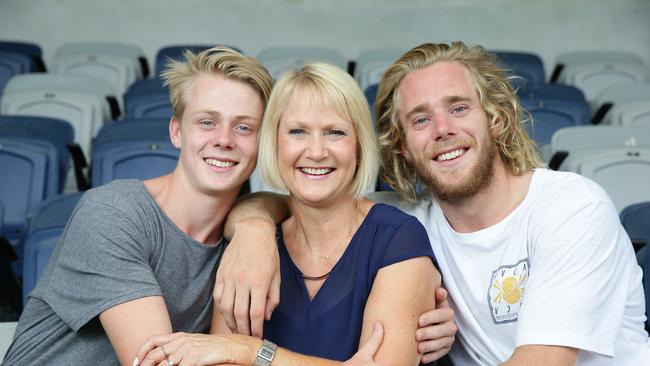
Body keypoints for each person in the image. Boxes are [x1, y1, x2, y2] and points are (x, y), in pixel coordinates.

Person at [212, 42, 650, 365]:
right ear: (401, 145)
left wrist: (251, 352)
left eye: (458, 108)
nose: (442, 129)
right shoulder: (409, 221)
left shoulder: (570, 207)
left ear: (495, 118)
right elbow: (305, 204)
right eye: (421, 119)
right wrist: (251, 229)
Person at [134, 62, 440, 365]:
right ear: (274, 143)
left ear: (359, 145)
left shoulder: (398, 239)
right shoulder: (249, 247)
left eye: (335, 132)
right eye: (297, 131)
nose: (317, 151)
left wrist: (249, 352)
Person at [2, 46, 273, 366]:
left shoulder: (241, 244)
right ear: (176, 131)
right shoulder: (112, 214)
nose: (224, 139)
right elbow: (157, 363)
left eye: (244, 127)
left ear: (262, 143)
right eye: (207, 122)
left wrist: (256, 227)